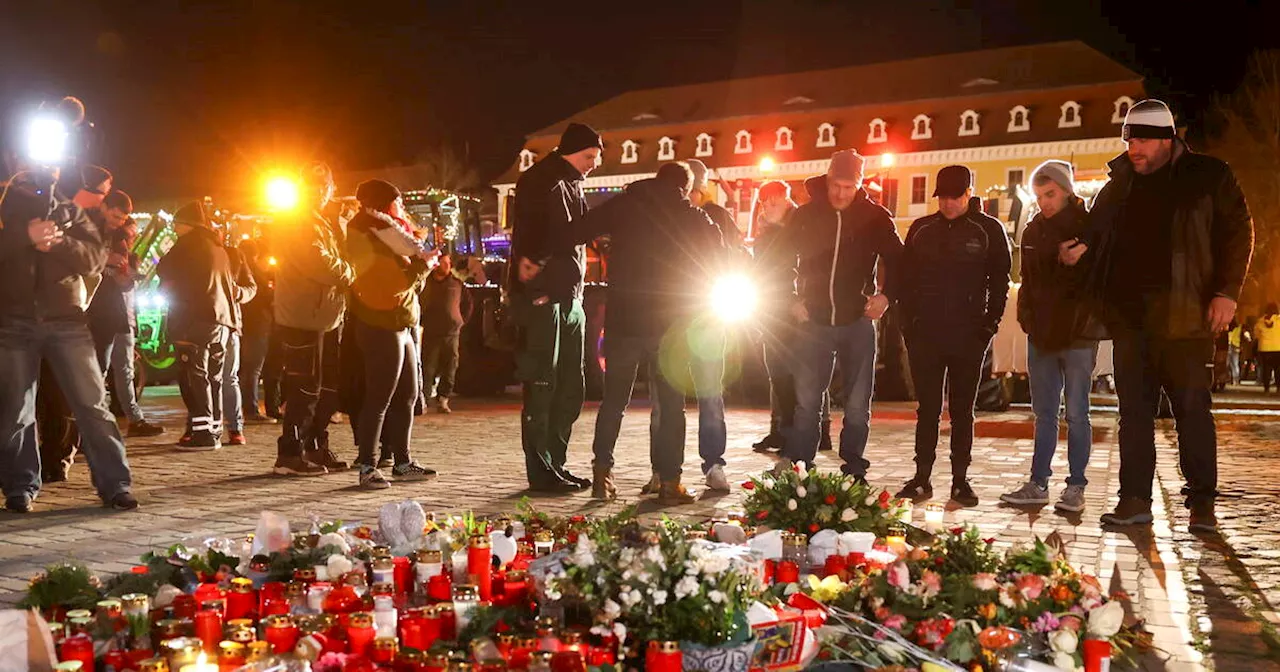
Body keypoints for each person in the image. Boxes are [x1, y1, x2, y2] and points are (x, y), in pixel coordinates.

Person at [1059, 99, 1253, 532]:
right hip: (1131, 320)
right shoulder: (1121, 184)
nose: (1134, 149)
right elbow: (1095, 230)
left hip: (1186, 317)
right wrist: (1079, 248)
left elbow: (1238, 234)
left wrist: (1227, 292)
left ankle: (1202, 503)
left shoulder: (1208, 176)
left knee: (1191, 409)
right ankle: (1134, 499)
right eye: (1129, 140)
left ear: (1167, 139)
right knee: (1134, 413)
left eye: (1143, 140)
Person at [572, 162, 725, 503]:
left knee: (613, 402)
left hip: (623, 321)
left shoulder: (625, 204)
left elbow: (580, 228)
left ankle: (602, 474)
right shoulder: (692, 216)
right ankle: (670, 481)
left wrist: (607, 244)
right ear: (685, 189)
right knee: (671, 406)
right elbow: (720, 254)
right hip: (668, 328)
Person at [0, 170, 137, 513]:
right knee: (17, 409)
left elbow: (93, 260)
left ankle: (115, 484)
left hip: (67, 320)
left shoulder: (69, 211)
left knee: (92, 404)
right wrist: (24, 235)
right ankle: (20, 486)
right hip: (13, 319)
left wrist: (59, 241)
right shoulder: (4, 206)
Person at [780, 150, 903, 480]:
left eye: (850, 187)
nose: (841, 193)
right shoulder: (806, 215)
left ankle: (854, 467)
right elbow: (777, 260)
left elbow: (900, 260)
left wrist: (886, 296)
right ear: (828, 179)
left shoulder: (875, 217)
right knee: (807, 402)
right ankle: (801, 466)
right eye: (837, 185)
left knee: (857, 405)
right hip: (813, 322)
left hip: (857, 321)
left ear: (860, 185)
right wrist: (790, 299)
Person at [894, 165, 1011, 507]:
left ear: (969, 193)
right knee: (927, 408)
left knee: (962, 410)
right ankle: (922, 477)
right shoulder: (921, 229)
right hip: (925, 334)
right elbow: (905, 279)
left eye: (954, 197)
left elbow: (1000, 281)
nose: (947, 204)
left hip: (968, 335)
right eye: (942, 197)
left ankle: (961, 479)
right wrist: (909, 325)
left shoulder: (988, 230)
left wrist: (989, 325)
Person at [1000, 161, 1103, 512]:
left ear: (1066, 191)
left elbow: (1092, 283)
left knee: (1077, 413)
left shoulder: (1089, 228)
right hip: (1041, 333)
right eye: (1040, 195)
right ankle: (1038, 482)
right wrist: (1026, 317)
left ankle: (1076, 486)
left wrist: (1070, 264)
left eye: (1051, 194)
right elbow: (1029, 280)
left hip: (1076, 334)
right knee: (1043, 413)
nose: (1044, 201)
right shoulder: (1032, 231)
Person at [508, 122, 602, 492]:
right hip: (545, 298)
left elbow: (576, 233)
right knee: (544, 383)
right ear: (572, 151)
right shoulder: (540, 180)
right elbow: (538, 234)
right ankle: (541, 468)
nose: (594, 164)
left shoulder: (572, 182)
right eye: (589, 156)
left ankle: (556, 463)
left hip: (570, 296)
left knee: (570, 385)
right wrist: (536, 276)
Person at [345, 179, 438, 488]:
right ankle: (368, 466)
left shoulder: (390, 235)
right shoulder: (368, 234)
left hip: (402, 323)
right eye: (397, 202)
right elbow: (389, 286)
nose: (402, 209)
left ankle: (403, 461)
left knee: (408, 395)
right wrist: (422, 267)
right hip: (381, 324)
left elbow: (407, 283)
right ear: (383, 204)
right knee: (379, 397)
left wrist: (420, 267)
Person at [271, 162, 354, 476]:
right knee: (304, 388)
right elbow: (318, 262)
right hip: (303, 317)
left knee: (327, 387)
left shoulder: (323, 221)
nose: (319, 192)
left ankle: (315, 446)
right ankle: (290, 453)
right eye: (312, 187)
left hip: (326, 316)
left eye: (324, 186)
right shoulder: (298, 222)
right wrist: (350, 273)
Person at [158, 201, 254, 451]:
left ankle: (203, 434)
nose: (174, 229)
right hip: (221, 322)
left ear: (188, 225)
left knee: (194, 376)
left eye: (177, 224)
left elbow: (164, 268)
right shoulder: (218, 248)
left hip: (194, 320)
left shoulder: (188, 244)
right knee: (214, 377)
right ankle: (214, 428)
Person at [752, 179, 834, 455]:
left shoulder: (801, 226)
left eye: (774, 201)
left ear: (787, 200)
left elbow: (806, 268)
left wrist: (800, 300)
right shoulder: (764, 234)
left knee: (806, 376)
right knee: (779, 376)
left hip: (799, 312)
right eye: (765, 202)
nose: (769, 207)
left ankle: (817, 430)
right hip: (772, 312)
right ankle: (784, 432)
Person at [87, 190, 165, 439]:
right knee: (100, 368)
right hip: (99, 311)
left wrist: (125, 273)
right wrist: (106, 262)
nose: (121, 224)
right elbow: (84, 264)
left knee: (123, 369)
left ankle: (134, 418)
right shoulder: (90, 230)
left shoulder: (121, 241)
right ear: (105, 207)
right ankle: (93, 421)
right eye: (117, 217)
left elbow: (125, 280)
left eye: (124, 220)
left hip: (120, 314)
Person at [420, 253, 473, 414]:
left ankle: (443, 398)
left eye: (448, 263)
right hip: (432, 332)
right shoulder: (427, 283)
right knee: (428, 367)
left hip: (452, 333)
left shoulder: (456, 284)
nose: (447, 266)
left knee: (450, 367)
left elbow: (468, 303)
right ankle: (424, 399)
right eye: (443, 263)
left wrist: (461, 321)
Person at [220, 236, 258, 445]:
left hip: (231, 323)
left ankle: (235, 428)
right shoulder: (200, 253)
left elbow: (251, 287)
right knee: (203, 378)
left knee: (228, 377)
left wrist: (239, 292)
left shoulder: (235, 254)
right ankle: (204, 426)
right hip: (207, 321)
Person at [237, 240, 277, 423]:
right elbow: (266, 296)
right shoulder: (254, 272)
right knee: (253, 369)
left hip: (246, 323)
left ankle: (243, 407)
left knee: (246, 369)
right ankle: (250, 409)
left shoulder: (239, 270)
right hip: (258, 324)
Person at [1257, 303, 1280, 392]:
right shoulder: (1279, 320)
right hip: (1278, 348)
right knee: (1278, 369)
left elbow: (1257, 335)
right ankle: (1278, 388)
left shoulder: (1260, 321)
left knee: (1266, 369)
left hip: (1264, 349)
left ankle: (1266, 388)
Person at [1227, 319, 1243, 386]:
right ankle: (1236, 380)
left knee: (1227, 364)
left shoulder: (1227, 325)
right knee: (1235, 364)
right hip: (1236, 345)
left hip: (1228, 344)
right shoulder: (1240, 326)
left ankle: (1228, 379)